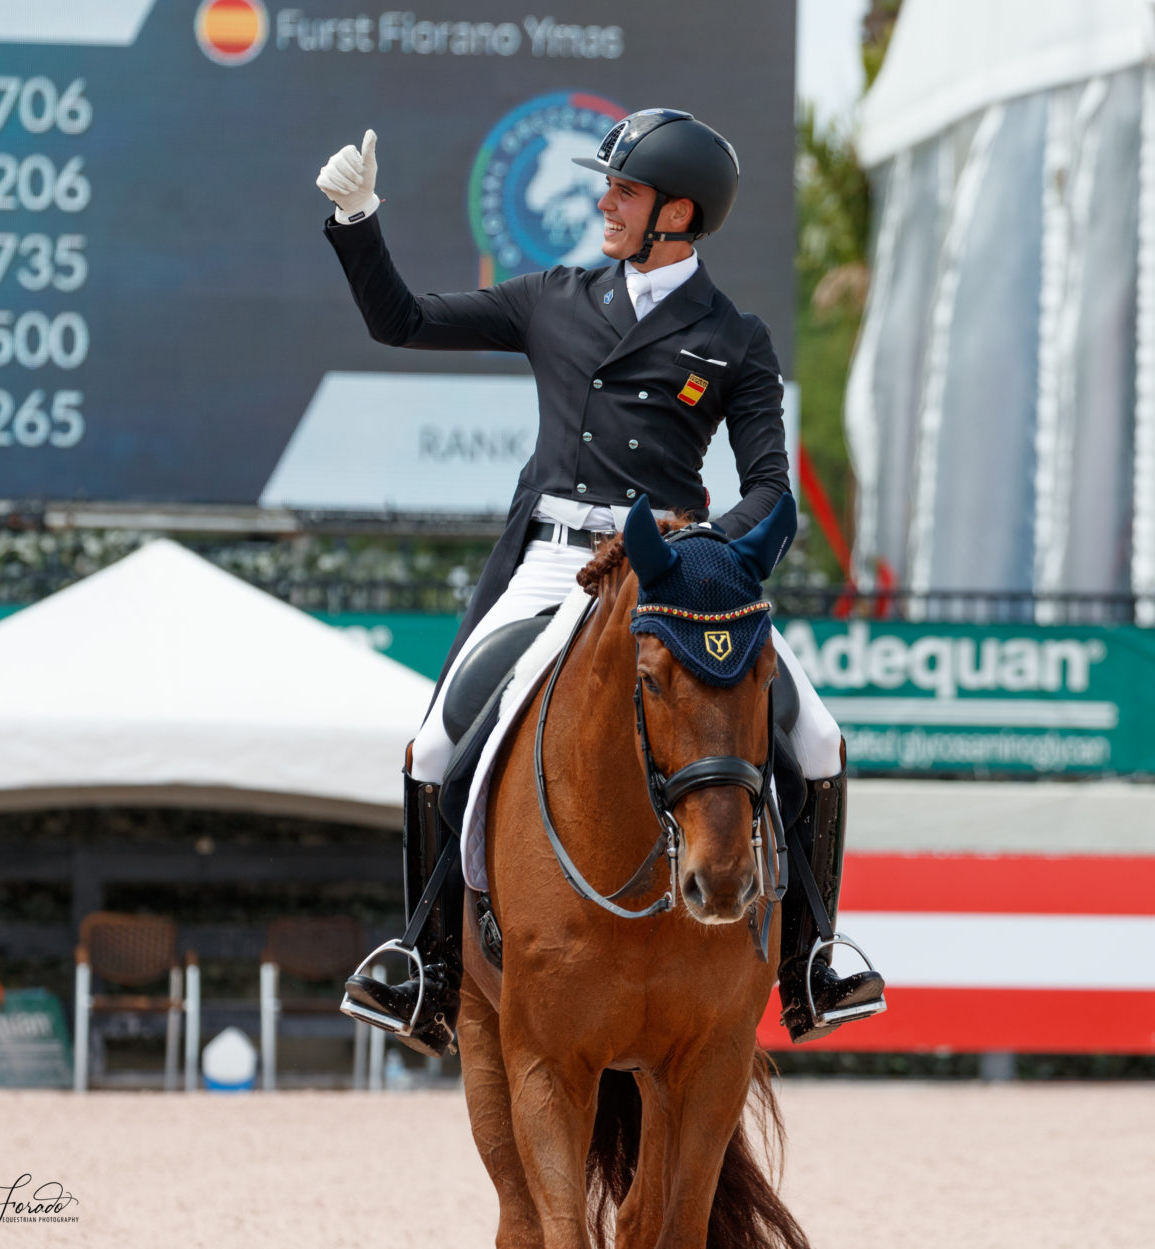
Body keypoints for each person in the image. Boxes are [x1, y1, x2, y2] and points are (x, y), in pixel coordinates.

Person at [317, 108, 885, 1056]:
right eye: (610, 187)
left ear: (677, 211)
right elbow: (403, 320)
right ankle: (424, 959)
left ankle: (814, 959)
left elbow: (769, 489)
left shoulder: (733, 338)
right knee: (434, 743)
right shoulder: (554, 296)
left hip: (672, 567)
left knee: (816, 736)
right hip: (553, 560)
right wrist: (358, 223)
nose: (603, 202)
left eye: (622, 189)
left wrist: (710, 552)